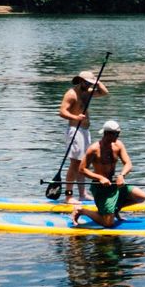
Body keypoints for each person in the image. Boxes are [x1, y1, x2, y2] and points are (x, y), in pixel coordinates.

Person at [71, 120, 145, 227]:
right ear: (107, 134)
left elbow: (128, 163)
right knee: (108, 223)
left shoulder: (118, 145)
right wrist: (100, 178)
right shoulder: (94, 149)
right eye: (117, 134)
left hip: (115, 183)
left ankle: (114, 209)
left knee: (141, 196)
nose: (118, 136)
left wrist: (121, 175)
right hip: (100, 188)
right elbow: (82, 169)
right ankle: (81, 210)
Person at [58, 69, 109, 205]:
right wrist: (75, 117)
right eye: (86, 83)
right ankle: (69, 196)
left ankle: (82, 194)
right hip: (75, 130)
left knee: (83, 163)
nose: (89, 85)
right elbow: (62, 112)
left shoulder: (87, 93)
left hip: (85, 131)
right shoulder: (71, 94)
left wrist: (97, 82)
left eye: (90, 83)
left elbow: (105, 93)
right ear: (80, 81)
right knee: (75, 163)